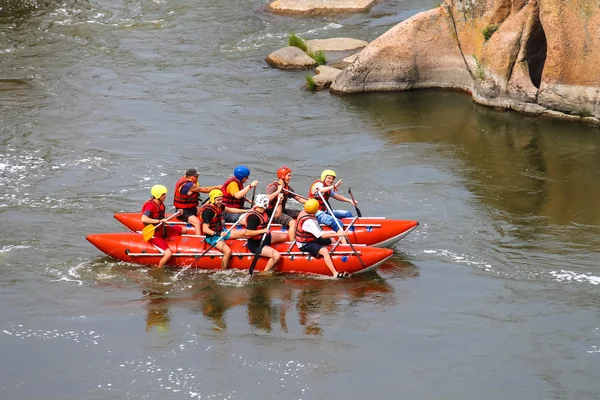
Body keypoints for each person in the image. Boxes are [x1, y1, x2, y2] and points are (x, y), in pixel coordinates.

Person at [295, 199, 349, 278]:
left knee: (333, 239)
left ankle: (344, 252)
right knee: (324, 251)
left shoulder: (304, 212)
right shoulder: (310, 221)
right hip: (305, 244)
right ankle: (335, 273)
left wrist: (335, 235)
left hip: (312, 238)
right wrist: (338, 233)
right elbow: (322, 236)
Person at [141, 184, 188, 268]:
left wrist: (177, 215)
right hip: (153, 234)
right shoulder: (150, 205)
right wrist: (159, 221)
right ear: (158, 195)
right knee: (168, 254)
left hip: (162, 229)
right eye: (163, 195)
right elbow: (144, 219)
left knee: (184, 230)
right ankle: (158, 270)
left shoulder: (161, 204)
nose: (165, 196)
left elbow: (163, 219)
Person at [199, 189, 247, 270]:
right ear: (212, 199)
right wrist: (218, 234)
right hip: (212, 237)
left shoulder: (219, 206)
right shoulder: (208, 212)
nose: (220, 201)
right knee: (227, 252)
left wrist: (245, 210)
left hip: (222, 232)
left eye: (221, 199)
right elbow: (205, 229)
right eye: (218, 200)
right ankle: (223, 271)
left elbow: (230, 210)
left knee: (245, 233)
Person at [243, 194, 288, 273]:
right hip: (255, 244)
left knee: (285, 237)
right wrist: (262, 231)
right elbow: (247, 232)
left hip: (264, 237)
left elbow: (278, 214)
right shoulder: (253, 217)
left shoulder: (264, 210)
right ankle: (265, 272)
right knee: (276, 256)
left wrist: (280, 202)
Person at [308, 169, 356, 241]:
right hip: (316, 214)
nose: (330, 180)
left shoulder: (327, 188)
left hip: (325, 211)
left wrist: (349, 200)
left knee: (347, 213)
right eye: (329, 178)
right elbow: (319, 190)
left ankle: (353, 231)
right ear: (324, 177)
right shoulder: (318, 184)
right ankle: (344, 241)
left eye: (332, 179)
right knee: (336, 222)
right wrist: (333, 186)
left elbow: (336, 196)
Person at [173, 168, 220, 237]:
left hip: (192, 208)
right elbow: (205, 190)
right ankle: (198, 240)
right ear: (189, 177)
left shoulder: (186, 180)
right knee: (197, 223)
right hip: (183, 211)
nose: (197, 177)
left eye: (197, 175)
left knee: (206, 210)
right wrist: (218, 187)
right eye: (195, 176)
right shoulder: (189, 185)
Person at [265, 166, 306, 241]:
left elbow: (298, 198)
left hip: (282, 210)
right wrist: (278, 192)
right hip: (272, 213)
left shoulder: (287, 188)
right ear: (282, 176)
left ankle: (301, 232)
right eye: (289, 175)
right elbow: (267, 198)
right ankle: (292, 243)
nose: (290, 177)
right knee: (292, 222)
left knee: (302, 212)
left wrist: (309, 202)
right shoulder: (274, 187)